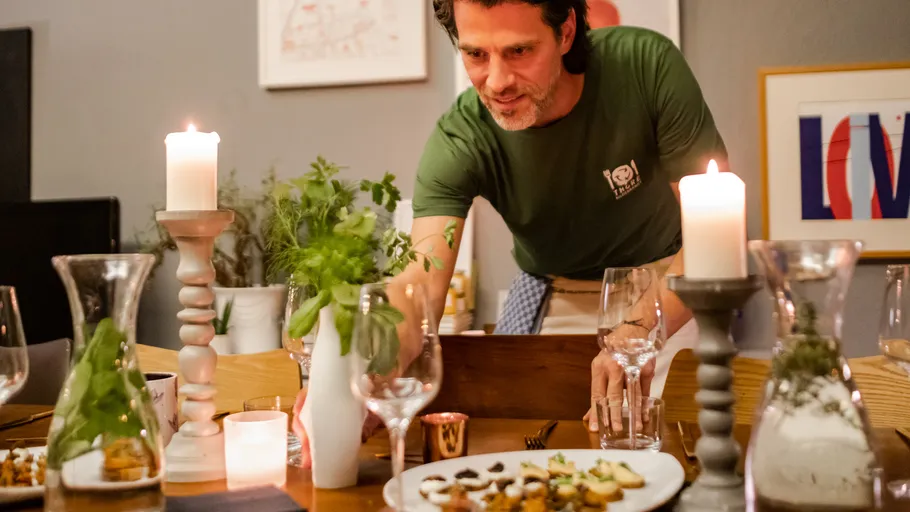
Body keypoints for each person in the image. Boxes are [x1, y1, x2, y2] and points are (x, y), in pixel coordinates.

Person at [293, 0, 728, 465]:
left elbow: (711, 241)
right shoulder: (461, 138)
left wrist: (635, 334)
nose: (496, 82)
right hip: (554, 297)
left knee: (679, 460)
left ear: (565, 32)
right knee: (548, 461)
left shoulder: (646, 65)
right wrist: (373, 374)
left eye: (519, 51)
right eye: (476, 55)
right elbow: (419, 283)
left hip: (666, 291)